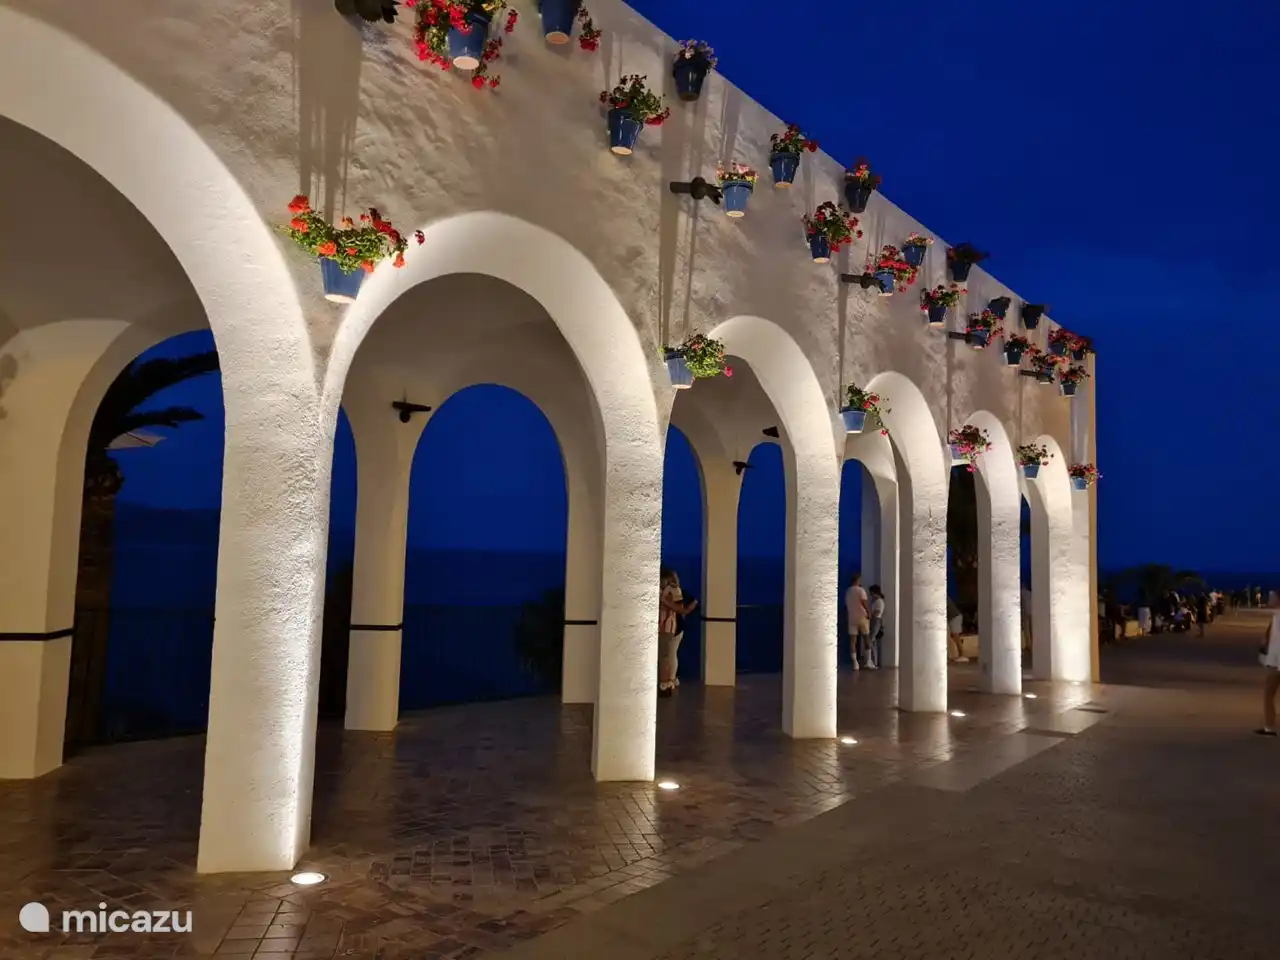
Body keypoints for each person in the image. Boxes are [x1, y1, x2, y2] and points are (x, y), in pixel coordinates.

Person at [658, 569, 696, 697]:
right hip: (664, 627)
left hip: (668, 628)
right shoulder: (666, 590)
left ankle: (667, 682)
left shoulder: (673, 590)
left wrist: (665, 601)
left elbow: (681, 608)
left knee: (667, 655)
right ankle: (668, 681)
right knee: (666, 655)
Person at [1257, 591, 1280, 736]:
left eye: (1272, 596)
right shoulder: (1275, 616)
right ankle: (1268, 726)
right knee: (1268, 693)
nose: (1269, 599)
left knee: (1268, 693)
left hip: (1276, 662)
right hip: (1274, 660)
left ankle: (1269, 726)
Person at [845, 573, 870, 670]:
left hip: (852, 617)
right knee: (866, 638)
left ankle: (855, 663)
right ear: (858, 580)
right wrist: (869, 613)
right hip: (862, 616)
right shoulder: (861, 590)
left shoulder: (848, 591)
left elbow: (846, 605)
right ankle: (868, 661)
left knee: (853, 641)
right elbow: (864, 603)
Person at [866, 584, 885, 670]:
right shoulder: (875, 601)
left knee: (870, 640)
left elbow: (877, 612)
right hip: (873, 621)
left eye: (871, 593)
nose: (870, 595)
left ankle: (872, 661)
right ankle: (873, 661)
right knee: (872, 641)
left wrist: (870, 614)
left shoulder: (879, 601)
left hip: (876, 620)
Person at [947, 596, 966, 663]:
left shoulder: (942, 597)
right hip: (949, 618)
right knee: (948, 637)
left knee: (956, 636)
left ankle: (962, 655)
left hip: (954, 617)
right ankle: (949, 656)